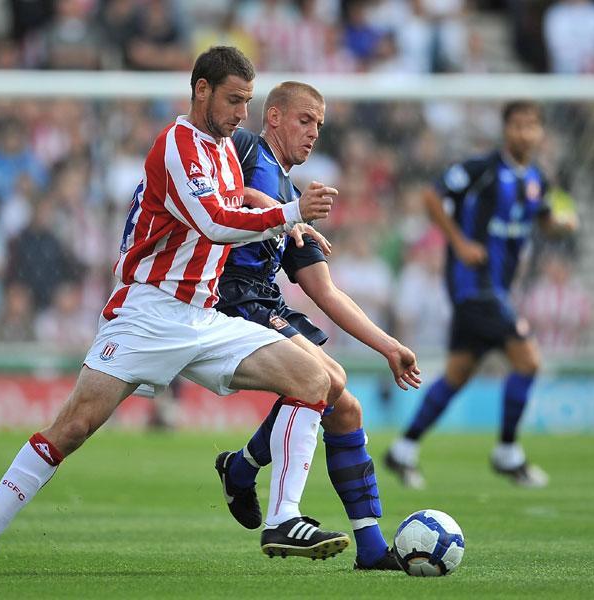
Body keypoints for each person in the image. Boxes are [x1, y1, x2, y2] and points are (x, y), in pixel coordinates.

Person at [0, 46, 347, 577]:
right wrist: (291, 211)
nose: (241, 113)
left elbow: (237, 193)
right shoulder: (175, 145)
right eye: (233, 100)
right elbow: (215, 221)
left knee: (314, 379)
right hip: (147, 314)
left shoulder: (222, 149)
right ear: (201, 90)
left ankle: (283, 519)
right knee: (74, 427)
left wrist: (277, 216)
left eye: (247, 101)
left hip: (203, 317)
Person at [213, 81, 421, 570]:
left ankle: (370, 549)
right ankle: (254, 484)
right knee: (327, 382)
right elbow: (220, 195)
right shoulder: (243, 147)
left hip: (266, 304)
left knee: (346, 408)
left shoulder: (294, 196)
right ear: (275, 117)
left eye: (319, 126)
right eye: (305, 121)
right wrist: (283, 216)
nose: (313, 134)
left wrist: (389, 347)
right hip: (225, 297)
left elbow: (325, 291)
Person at [384, 100, 578, 489]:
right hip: (474, 285)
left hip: (497, 288)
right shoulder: (482, 169)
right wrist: (459, 241)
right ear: (505, 130)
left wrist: (561, 224)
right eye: (517, 125)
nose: (524, 133)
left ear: (540, 133)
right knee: (528, 360)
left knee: (458, 372)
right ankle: (507, 451)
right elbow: (430, 196)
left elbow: (543, 218)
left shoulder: (537, 177)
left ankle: (403, 449)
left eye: (531, 126)